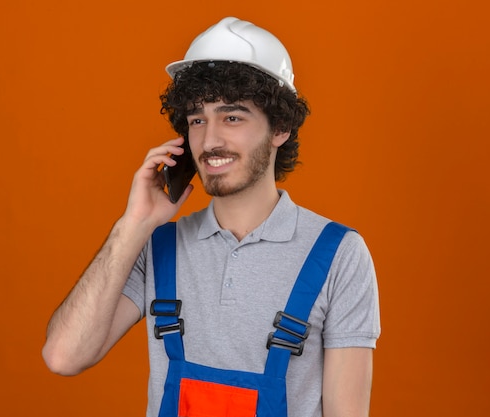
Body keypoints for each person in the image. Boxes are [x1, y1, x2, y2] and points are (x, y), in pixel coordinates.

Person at [42, 16, 381, 417]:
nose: (210, 139)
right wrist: (133, 224)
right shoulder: (157, 245)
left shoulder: (339, 255)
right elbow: (64, 356)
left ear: (281, 128)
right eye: (197, 120)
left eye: (232, 117)